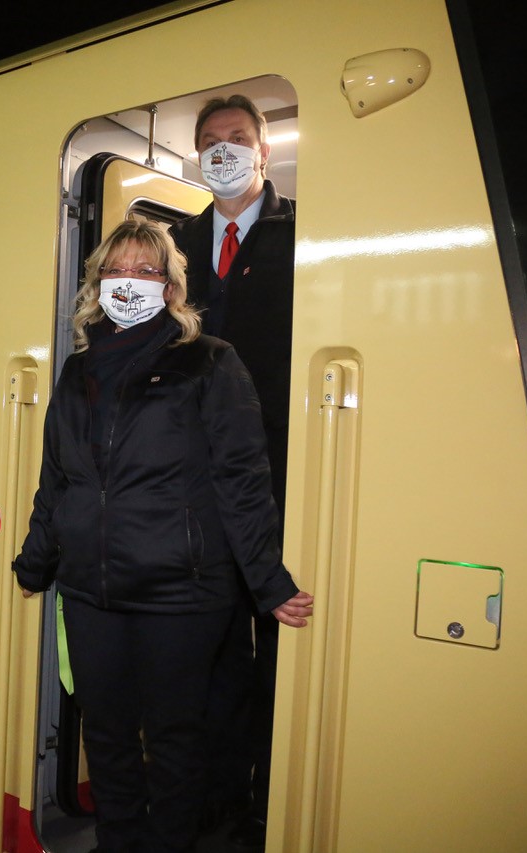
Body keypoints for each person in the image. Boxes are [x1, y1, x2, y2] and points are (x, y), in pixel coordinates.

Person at [12, 219, 312, 853]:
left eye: (146, 270)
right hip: (91, 591)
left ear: (172, 289)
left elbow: (243, 480)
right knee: (108, 738)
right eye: (117, 269)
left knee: (175, 741)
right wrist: (36, 560)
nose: (130, 281)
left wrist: (267, 581)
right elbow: (58, 479)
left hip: (181, 593)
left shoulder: (210, 362)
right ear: (97, 285)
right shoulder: (77, 371)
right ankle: (118, 843)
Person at [169, 94, 296, 848]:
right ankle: (214, 810)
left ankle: (268, 808)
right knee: (210, 659)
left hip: (280, 480)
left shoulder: (304, 233)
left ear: (265, 151)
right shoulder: (174, 247)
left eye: (238, 139)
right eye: (211, 140)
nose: (225, 150)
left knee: (278, 651)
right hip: (189, 488)